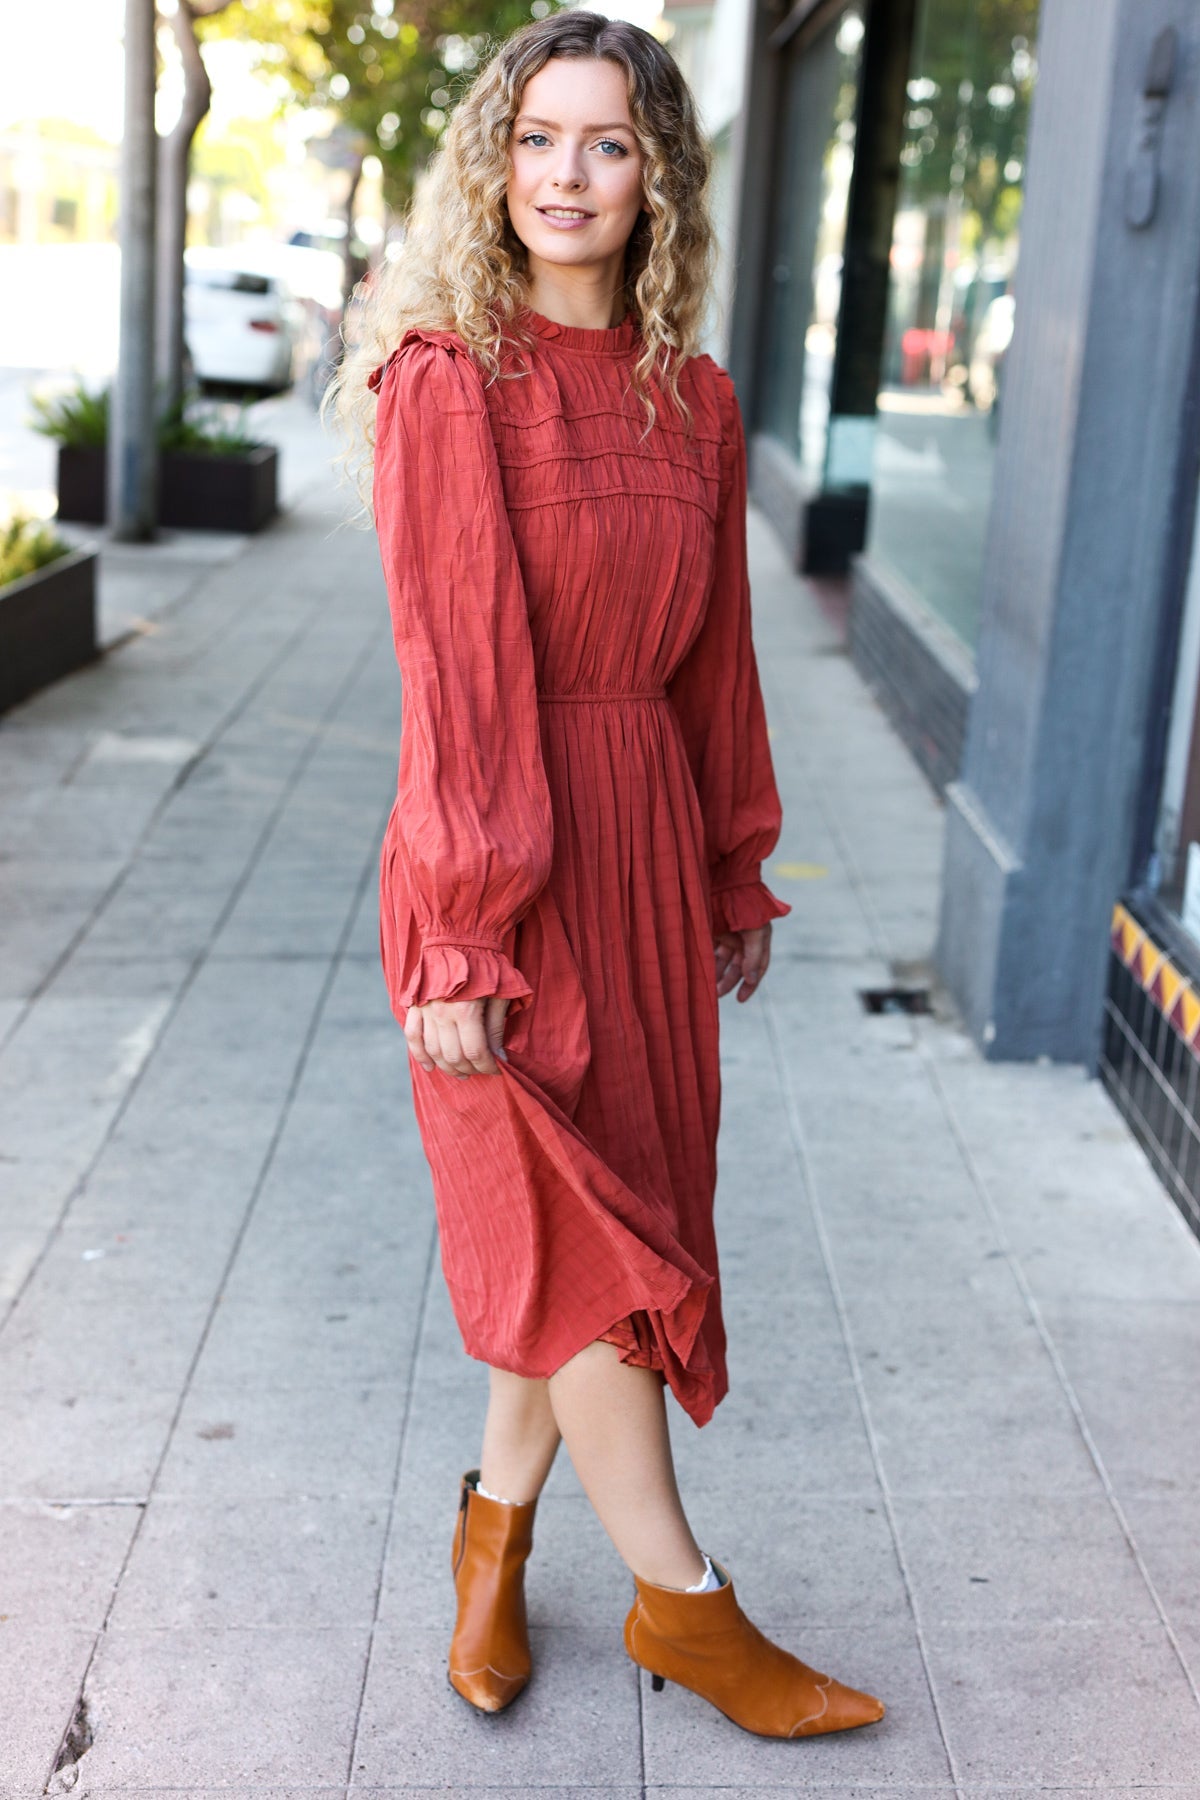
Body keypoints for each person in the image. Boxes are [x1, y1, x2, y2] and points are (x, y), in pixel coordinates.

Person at [328, 8, 886, 1741]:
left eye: (608, 143)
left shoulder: (694, 402)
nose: (565, 176)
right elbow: (459, 676)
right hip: (501, 859)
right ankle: (686, 1606)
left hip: (641, 841)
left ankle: (491, 1541)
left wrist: (733, 866)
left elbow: (717, 664)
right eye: (536, 139)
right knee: (578, 1241)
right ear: (495, 164)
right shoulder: (449, 380)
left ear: (659, 179)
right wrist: (464, 931)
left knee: (605, 1222)